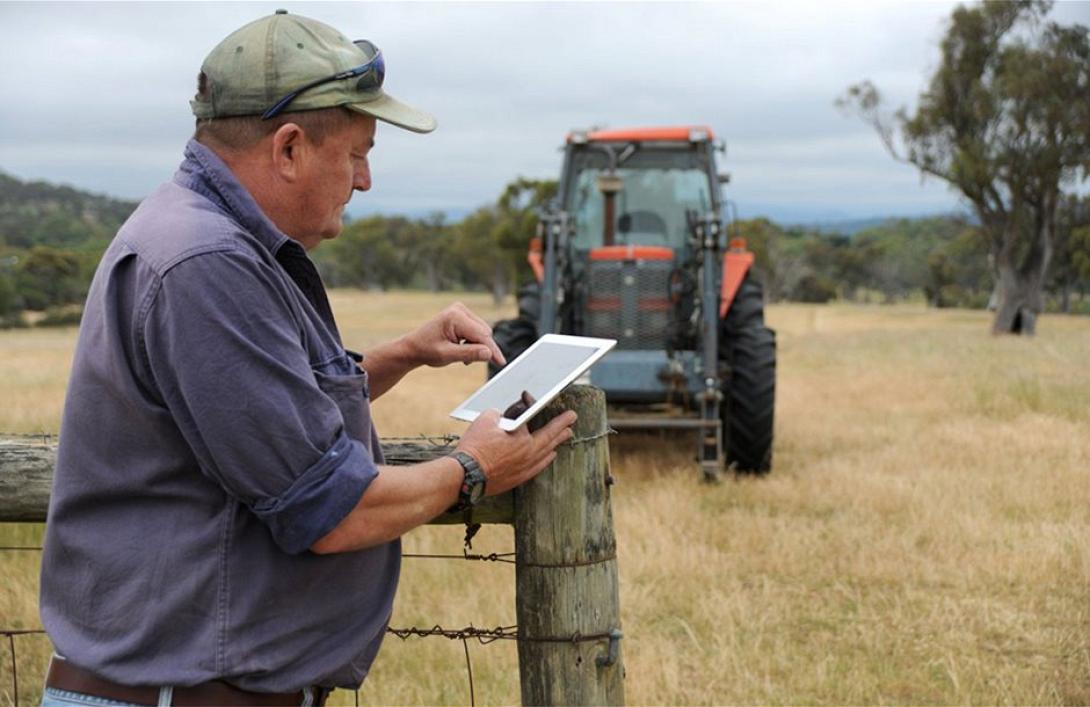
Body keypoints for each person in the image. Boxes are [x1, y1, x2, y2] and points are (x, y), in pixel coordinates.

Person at [38, 10, 576, 706]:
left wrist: (404, 353)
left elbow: (263, 412)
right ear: (290, 148)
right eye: (357, 153)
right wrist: (472, 468)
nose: (365, 179)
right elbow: (328, 510)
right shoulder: (207, 263)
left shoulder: (204, 237)